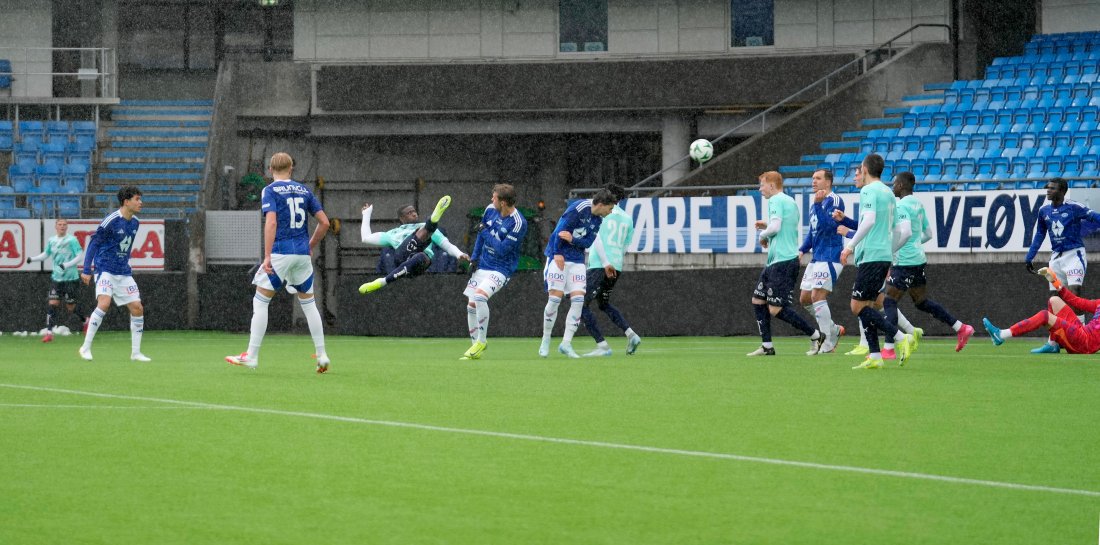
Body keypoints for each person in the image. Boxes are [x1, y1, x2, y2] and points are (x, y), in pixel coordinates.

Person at [225, 152, 332, 373]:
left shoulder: (270, 190)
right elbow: (324, 223)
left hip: (281, 252)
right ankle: (322, 355)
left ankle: (252, 356)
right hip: (302, 254)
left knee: (261, 302)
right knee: (309, 305)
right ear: (291, 168)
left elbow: (271, 222)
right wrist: (310, 246)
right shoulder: (305, 190)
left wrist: (267, 255)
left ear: (270, 170)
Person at [839, 154, 915, 369]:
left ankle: (901, 338)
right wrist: (889, 252)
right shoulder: (889, 194)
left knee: (856, 306)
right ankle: (874, 355)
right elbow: (900, 230)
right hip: (882, 255)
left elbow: (869, 220)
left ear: (864, 169)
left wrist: (849, 246)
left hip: (871, 256)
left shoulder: (869, 190)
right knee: (868, 305)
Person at [884, 172, 974, 352]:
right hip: (919, 258)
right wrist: (915, 244)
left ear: (901, 185)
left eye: (894, 183)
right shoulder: (918, 204)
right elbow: (928, 234)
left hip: (906, 261)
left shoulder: (901, 205)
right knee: (921, 301)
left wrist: (893, 251)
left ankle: (888, 348)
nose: (892, 187)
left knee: (889, 302)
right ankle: (960, 327)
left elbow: (906, 232)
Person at [748, 171, 827, 356]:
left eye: (762, 185)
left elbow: (775, 227)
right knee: (758, 300)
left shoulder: (775, 201)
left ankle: (816, 335)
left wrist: (762, 234)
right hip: (777, 261)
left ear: (772, 185)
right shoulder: (789, 201)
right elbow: (782, 225)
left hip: (782, 262)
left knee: (776, 308)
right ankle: (767, 346)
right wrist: (766, 225)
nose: (760, 189)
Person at [1024, 177, 1100, 354]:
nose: (1048, 190)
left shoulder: (1074, 207)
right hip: (1056, 258)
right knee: (1054, 299)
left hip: (1074, 255)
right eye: (1047, 187)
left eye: (1052, 188)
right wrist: (1030, 256)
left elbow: (1095, 217)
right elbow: (1040, 233)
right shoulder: (1044, 211)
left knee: (1075, 294)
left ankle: (1081, 335)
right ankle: (1053, 343)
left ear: (1062, 191)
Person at [540, 189, 617, 358]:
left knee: (578, 300)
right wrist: (557, 253)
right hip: (558, 257)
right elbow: (558, 232)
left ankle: (566, 344)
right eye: (610, 209)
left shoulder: (598, 220)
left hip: (577, 260)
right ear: (601, 205)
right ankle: (546, 339)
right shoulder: (579, 207)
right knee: (554, 299)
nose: (610, 213)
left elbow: (588, 242)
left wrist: (573, 240)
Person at [79, 186, 150, 362]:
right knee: (104, 303)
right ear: (126, 202)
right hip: (105, 270)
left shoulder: (135, 222)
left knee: (137, 308)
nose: (140, 202)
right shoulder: (110, 221)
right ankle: (85, 347)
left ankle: (136, 353)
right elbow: (94, 244)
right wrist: (87, 269)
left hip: (123, 272)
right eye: (137, 199)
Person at [461, 183, 528, 360]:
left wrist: (484, 232)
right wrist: (474, 259)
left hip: (501, 269)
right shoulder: (490, 209)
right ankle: (475, 346)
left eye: (495, 197)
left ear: (503, 202)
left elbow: (501, 250)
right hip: (483, 264)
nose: (491, 199)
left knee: (480, 297)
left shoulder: (518, 222)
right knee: (471, 306)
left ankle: (482, 341)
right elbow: (480, 238)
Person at [580, 183, 642, 357]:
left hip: (600, 264)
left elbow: (596, 236)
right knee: (604, 303)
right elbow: (625, 246)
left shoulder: (602, 214)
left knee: (579, 303)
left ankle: (602, 345)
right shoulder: (628, 219)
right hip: (617, 266)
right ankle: (631, 334)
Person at [358, 195, 468, 293]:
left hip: (420, 263)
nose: (414, 214)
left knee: (422, 250)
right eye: (409, 213)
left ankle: (384, 281)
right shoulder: (392, 233)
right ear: (402, 218)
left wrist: (459, 254)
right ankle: (432, 222)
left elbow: (447, 245)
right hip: (402, 257)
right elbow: (366, 238)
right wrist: (366, 214)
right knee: (423, 231)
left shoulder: (422, 226)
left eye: (414, 211)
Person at [984, 266, 1100, 354]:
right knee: (1054, 300)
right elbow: (1075, 301)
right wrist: (1054, 281)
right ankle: (1052, 344)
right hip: (1081, 332)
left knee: (1045, 316)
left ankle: (1002, 335)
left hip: (1085, 344)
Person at [797, 169, 846, 355]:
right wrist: (802, 249)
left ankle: (826, 342)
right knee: (805, 298)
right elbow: (814, 231)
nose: (813, 181)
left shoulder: (834, 200)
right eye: (812, 178)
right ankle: (833, 329)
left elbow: (831, 226)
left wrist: (818, 206)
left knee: (817, 296)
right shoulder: (815, 204)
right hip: (816, 257)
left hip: (831, 256)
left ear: (828, 182)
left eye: (818, 178)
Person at [27, 218, 85, 343]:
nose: (62, 226)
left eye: (64, 224)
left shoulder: (72, 240)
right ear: (56, 226)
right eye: (60, 224)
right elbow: (46, 254)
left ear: (67, 227)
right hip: (57, 279)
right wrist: (32, 259)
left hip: (71, 278)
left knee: (71, 307)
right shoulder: (52, 240)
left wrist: (67, 265)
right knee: (53, 304)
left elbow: (80, 255)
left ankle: (86, 320)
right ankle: (49, 333)